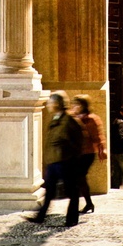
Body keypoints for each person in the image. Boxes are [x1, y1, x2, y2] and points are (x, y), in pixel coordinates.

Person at [25, 91, 82, 227]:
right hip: (54, 162)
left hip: (65, 162)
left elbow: (77, 141)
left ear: (57, 104)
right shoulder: (55, 118)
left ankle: (72, 219)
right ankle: (40, 217)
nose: (48, 105)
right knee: (49, 191)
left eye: (50, 102)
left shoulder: (69, 120)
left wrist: (71, 158)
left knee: (72, 192)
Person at [70, 94, 106, 215]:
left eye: (77, 104)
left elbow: (98, 136)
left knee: (79, 177)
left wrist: (102, 149)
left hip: (87, 153)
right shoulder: (74, 117)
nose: (74, 106)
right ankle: (88, 203)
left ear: (83, 105)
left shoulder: (91, 119)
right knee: (79, 178)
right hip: (76, 152)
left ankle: (85, 204)